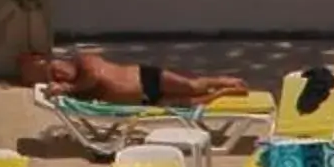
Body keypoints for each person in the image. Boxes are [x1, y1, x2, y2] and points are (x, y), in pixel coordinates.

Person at [18, 48, 249, 108]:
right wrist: (57, 89)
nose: (58, 74)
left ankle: (223, 80)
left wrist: (66, 88)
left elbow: (94, 77)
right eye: (54, 76)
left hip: (144, 77)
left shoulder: (83, 61)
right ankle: (223, 92)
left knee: (191, 86)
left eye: (56, 68)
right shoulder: (79, 89)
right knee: (189, 104)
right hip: (141, 99)